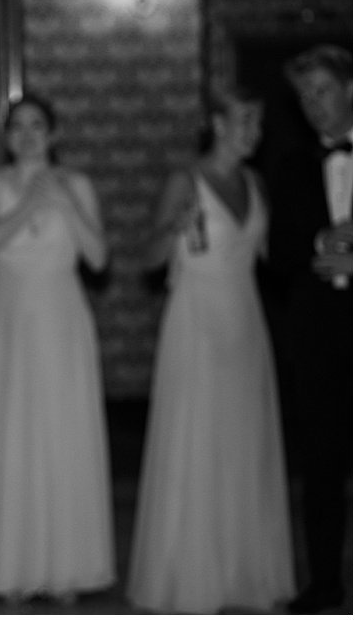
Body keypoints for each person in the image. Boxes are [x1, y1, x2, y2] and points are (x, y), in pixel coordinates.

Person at [126, 87, 294, 613]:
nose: (255, 132)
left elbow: (274, 259)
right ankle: (192, 576)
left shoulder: (255, 182)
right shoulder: (185, 179)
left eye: (259, 123)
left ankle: (246, 574)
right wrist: (171, 229)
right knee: (197, 440)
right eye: (246, 120)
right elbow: (149, 259)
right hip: (195, 321)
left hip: (246, 323)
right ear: (217, 124)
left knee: (245, 442)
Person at [0, 94, 115, 603]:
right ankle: (13, 569)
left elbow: (98, 257)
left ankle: (70, 568)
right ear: (8, 137)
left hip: (62, 319)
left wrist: (65, 203)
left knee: (63, 429)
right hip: (9, 320)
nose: (28, 134)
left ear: (53, 134)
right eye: (19, 127)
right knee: (14, 431)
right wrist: (29, 202)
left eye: (37, 125)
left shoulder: (78, 185)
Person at [270, 45, 352, 614]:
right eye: (304, 96)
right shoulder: (293, 166)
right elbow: (278, 257)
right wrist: (317, 248)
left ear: (351, 88)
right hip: (319, 341)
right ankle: (325, 589)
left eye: (322, 90)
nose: (313, 104)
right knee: (322, 470)